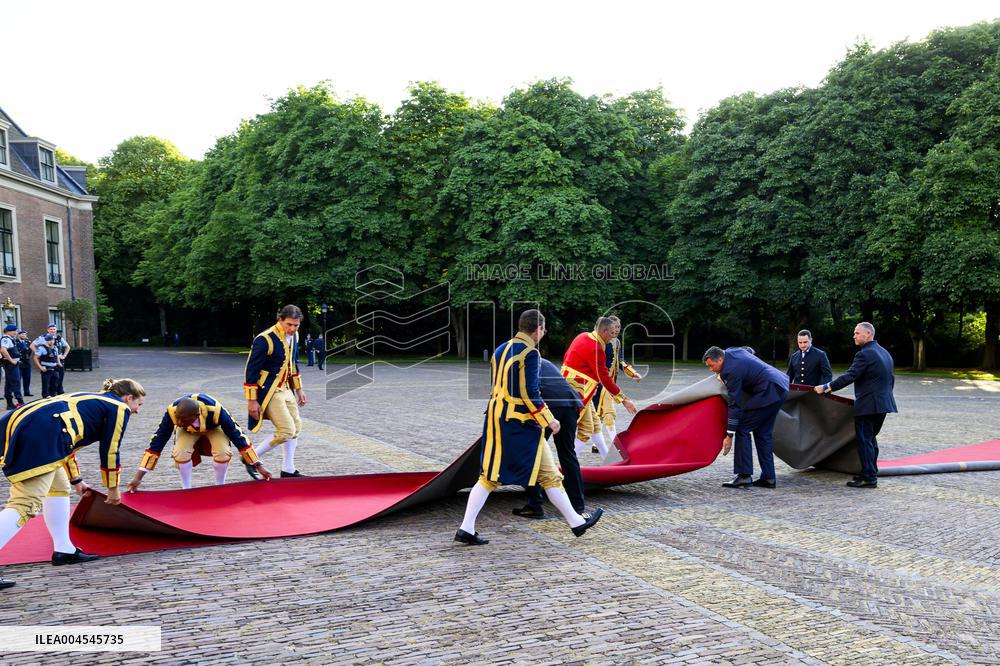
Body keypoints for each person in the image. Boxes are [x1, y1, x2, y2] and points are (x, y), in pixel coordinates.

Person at [455, 309, 603, 546]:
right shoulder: (530, 353)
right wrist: (549, 419)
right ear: (538, 329)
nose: (543, 333)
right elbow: (530, 393)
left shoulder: (501, 349)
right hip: (521, 424)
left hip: (496, 419)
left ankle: (467, 528)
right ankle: (575, 521)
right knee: (532, 476)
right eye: (543, 329)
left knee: (494, 477)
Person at [0, 377, 146, 589]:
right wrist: (113, 488)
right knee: (25, 504)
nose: (137, 411)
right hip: (39, 440)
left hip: (26, 429)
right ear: (128, 398)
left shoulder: (93, 399)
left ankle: (64, 549)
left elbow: (66, 440)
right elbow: (110, 450)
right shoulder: (118, 407)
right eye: (138, 404)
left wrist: (76, 480)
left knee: (59, 488)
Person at [127, 394, 272, 491]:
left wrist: (258, 466)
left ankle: (220, 486)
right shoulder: (173, 413)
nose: (179, 423)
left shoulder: (216, 410)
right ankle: (186, 488)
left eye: (183, 420)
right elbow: (158, 441)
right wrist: (138, 477)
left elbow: (238, 436)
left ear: (197, 415)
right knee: (180, 452)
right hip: (188, 431)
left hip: (214, 428)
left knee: (223, 452)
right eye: (178, 420)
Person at [814, 322, 897, 488]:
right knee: (870, 439)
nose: (854, 336)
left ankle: (869, 477)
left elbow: (850, 376)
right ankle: (869, 471)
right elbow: (891, 379)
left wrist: (826, 387)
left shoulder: (864, 354)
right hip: (883, 403)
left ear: (868, 334)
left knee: (865, 440)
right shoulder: (884, 352)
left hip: (868, 404)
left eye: (857, 333)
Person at [703, 346, 789, 489]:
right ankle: (768, 478)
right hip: (780, 387)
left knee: (742, 428)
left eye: (711, 366)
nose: (710, 370)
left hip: (768, 392)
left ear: (720, 360)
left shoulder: (730, 371)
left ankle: (744, 476)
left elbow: (735, 403)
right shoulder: (732, 351)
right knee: (763, 433)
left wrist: (729, 434)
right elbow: (749, 350)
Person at [512, 358, 586, 519]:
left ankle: (534, 506)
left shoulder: (517, 364)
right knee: (567, 454)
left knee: (531, 454)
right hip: (570, 402)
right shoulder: (543, 361)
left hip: (549, 405)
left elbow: (521, 395)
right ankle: (577, 505)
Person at [244, 305, 307, 478]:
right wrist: (252, 400)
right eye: (289, 324)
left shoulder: (295, 336)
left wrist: (299, 389)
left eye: (296, 325)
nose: (292, 329)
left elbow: (293, 364)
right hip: (269, 390)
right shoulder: (264, 339)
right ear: (280, 320)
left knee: (296, 427)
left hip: (285, 388)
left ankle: (288, 469)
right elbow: (251, 371)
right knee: (286, 430)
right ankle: (250, 458)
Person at [562, 317, 639, 460]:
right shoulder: (597, 347)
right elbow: (604, 377)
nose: (613, 336)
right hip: (580, 390)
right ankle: (567, 464)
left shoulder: (583, 336)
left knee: (596, 425)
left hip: (578, 387)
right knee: (586, 430)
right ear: (604, 331)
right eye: (611, 333)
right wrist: (624, 400)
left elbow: (567, 358)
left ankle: (608, 460)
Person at [594, 316, 641, 452]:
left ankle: (597, 444)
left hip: (611, 381)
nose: (616, 329)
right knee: (605, 411)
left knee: (600, 411)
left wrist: (632, 373)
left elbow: (619, 360)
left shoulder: (617, 342)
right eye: (614, 327)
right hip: (600, 381)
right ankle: (616, 445)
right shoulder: (601, 341)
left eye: (618, 327)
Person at [0, 325, 24, 410]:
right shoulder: (6, 339)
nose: (16, 332)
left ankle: (10, 403)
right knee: (15, 382)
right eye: (14, 331)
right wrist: (11, 361)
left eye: (16, 331)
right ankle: (20, 402)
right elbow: (3, 350)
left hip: (12, 364)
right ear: (8, 331)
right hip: (10, 365)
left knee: (10, 383)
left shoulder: (9, 339)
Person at [17, 331, 32, 397]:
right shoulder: (15, 342)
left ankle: (27, 392)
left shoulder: (28, 342)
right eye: (22, 334)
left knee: (27, 378)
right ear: (19, 335)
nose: (23, 335)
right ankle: (18, 393)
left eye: (25, 334)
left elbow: (30, 352)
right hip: (19, 362)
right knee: (18, 379)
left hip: (26, 362)